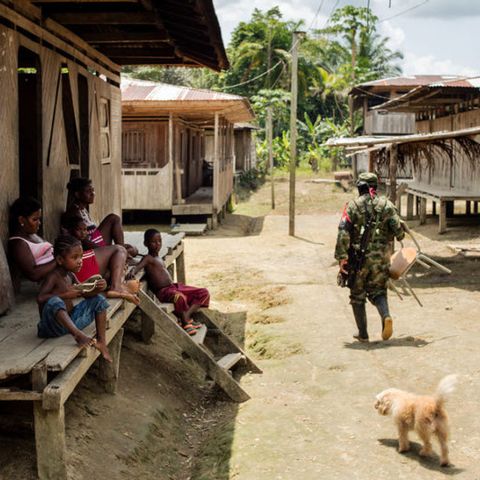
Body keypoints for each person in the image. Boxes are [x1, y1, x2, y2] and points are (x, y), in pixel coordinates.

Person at [335, 172, 405, 343]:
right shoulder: (387, 205)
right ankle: (386, 316)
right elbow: (400, 233)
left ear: (361, 187)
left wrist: (342, 257)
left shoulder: (352, 206)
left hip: (358, 259)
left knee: (357, 295)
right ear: (375, 186)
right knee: (379, 291)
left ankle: (363, 333)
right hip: (381, 259)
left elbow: (343, 232)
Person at [37, 235, 112, 362]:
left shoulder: (70, 275)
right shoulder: (53, 276)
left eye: (81, 257)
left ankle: (102, 342)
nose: (80, 261)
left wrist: (98, 288)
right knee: (54, 301)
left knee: (99, 300)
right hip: (51, 327)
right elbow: (40, 298)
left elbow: (83, 293)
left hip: (70, 323)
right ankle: (78, 336)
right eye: (74, 257)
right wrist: (65, 295)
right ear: (60, 260)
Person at [127, 229, 210, 335]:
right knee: (179, 297)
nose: (158, 244)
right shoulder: (148, 258)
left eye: (159, 241)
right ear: (146, 244)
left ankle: (186, 317)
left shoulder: (159, 258)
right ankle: (185, 323)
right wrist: (133, 271)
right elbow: (138, 266)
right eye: (153, 242)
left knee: (203, 292)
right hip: (164, 291)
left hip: (174, 287)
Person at [61, 214, 139, 304]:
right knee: (120, 249)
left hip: (81, 275)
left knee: (114, 268)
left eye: (85, 230)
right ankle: (117, 287)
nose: (83, 233)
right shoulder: (74, 244)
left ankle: (119, 284)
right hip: (79, 271)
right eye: (79, 230)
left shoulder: (80, 242)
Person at [65, 177, 138, 256]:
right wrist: (107, 250)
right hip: (92, 247)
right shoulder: (74, 212)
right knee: (113, 218)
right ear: (77, 194)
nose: (93, 193)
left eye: (92, 190)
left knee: (134, 250)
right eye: (88, 191)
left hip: (97, 241)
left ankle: (122, 253)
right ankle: (122, 254)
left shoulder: (83, 209)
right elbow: (83, 241)